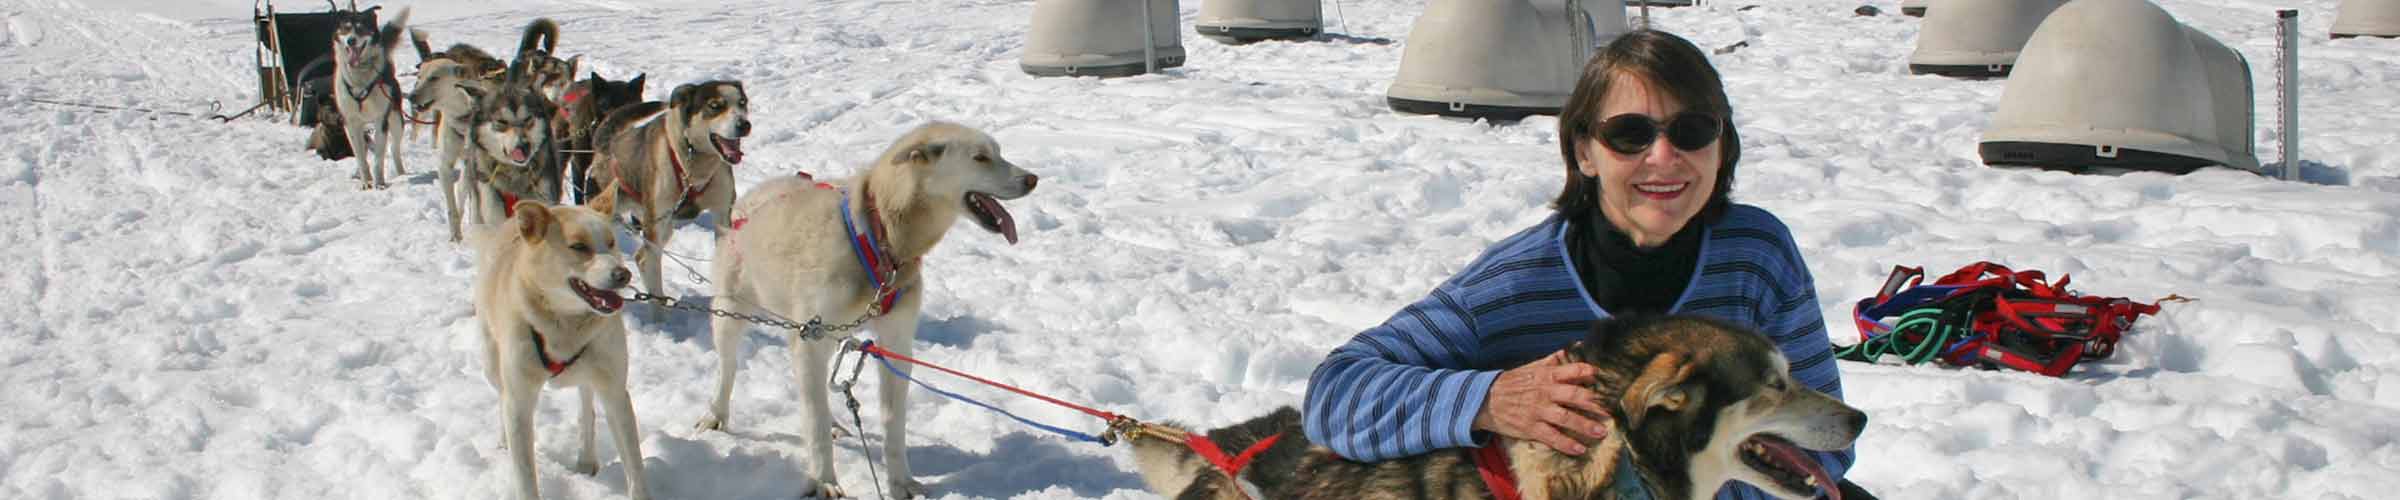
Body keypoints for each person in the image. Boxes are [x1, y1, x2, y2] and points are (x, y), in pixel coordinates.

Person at [1301, 29, 1853, 499]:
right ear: (1584, 151)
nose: (1663, 158)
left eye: (1692, 131)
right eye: (1629, 135)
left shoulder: (1757, 255)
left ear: (1721, 144)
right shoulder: (1515, 285)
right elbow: (1336, 393)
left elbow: (1823, 445)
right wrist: (1488, 400)